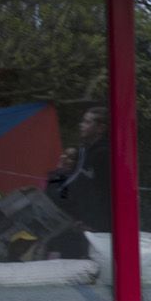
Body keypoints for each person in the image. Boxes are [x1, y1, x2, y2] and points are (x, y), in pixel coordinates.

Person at [44, 106, 112, 259]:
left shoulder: (103, 154)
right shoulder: (85, 152)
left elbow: (104, 192)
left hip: (94, 227)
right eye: (82, 121)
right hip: (76, 220)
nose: (81, 125)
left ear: (100, 128)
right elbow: (75, 185)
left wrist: (94, 222)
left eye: (87, 122)